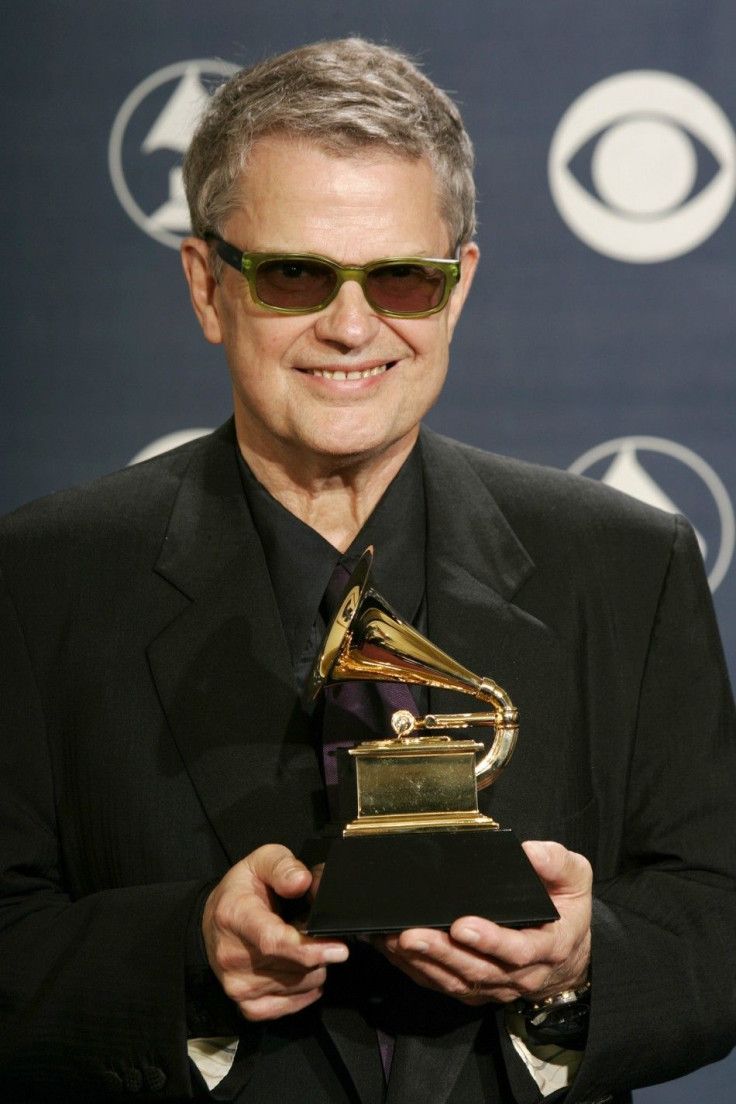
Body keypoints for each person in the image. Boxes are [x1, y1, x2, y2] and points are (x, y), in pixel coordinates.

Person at [0, 37, 734, 1104]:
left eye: (402, 277)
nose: (353, 326)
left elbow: (716, 915)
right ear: (207, 286)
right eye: (295, 274)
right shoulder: (37, 584)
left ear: (459, 288)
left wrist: (578, 968)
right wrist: (188, 961)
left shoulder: (628, 565)